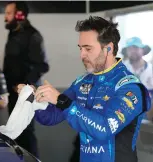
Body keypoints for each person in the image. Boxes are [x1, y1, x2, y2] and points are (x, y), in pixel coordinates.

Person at [17, 16, 151, 162]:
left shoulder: (129, 87)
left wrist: (62, 100)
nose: (82, 55)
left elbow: (105, 129)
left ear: (108, 48)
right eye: (80, 48)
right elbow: (50, 117)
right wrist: (32, 97)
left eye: (88, 48)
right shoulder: (82, 83)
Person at [3, 1, 49, 157]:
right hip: (13, 93)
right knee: (15, 134)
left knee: (26, 134)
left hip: (26, 93)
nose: (5, 17)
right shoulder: (13, 33)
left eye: (9, 13)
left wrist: (24, 86)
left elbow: (42, 66)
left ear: (19, 14)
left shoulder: (33, 35)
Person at [121, 37, 153, 121]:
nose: (132, 51)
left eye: (135, 48)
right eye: (129, 49)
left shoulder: (150, 70)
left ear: (143, 50)